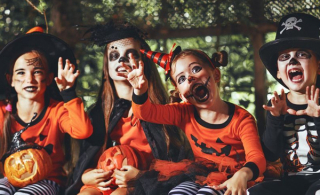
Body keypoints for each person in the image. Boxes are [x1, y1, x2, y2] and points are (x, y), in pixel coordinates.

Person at [65, 20, 192, 195]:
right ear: (107, 65)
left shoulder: (162, 111)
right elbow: (87, 161)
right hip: (102, 184)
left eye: (131, 55)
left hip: (141, 185)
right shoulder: (99, 113)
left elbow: (177, 167)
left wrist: (142, 177)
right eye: (114, 56)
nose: (122, 60)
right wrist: (86, 176)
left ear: (144, 63)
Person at [120, 46, 266, 195]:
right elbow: (145, 113)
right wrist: (140, 91)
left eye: (195, 69)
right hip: (200, 177)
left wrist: (242, 175)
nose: (190, 78)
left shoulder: (242, 119)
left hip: (236, 179)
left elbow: (257, 158)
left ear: (215, 75)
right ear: (182, 95)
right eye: (181, 78)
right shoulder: (184, 113)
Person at [0, 28, 93, 194]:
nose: (29, 79)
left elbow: (83, 131)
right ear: (10, 79)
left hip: (50, 181)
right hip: (10, 178)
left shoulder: (57, 110)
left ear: (49, 79)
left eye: (37, 72)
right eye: (21, 72)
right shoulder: (3, 111)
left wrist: (68, 93)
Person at [248, 13, 320, 195]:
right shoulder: (276, 106)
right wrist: (274, 119)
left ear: (319, 66)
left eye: (302, 54)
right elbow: (271, 154)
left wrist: (318, 118)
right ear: (279, 72)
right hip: (291, 182)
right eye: (284, 57)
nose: (292, 60)